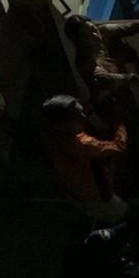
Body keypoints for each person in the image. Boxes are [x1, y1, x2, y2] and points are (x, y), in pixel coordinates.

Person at [42, 94, 128, 222]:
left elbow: (83, 110)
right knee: (120, 213)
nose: (83, 117)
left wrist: (95, 103)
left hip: (73, 188)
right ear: (63, 123)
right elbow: (118, 146)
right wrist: (120, 123)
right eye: (77, 116)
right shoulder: (82, 144)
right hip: (94, 195)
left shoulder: (52, 132)